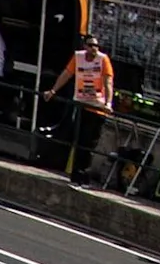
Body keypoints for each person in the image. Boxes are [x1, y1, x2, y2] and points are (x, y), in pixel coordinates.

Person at [48, 36, 115, 182]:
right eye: (91, 45)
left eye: (96, 46)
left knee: (89, 142)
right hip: (81, 104)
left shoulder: (103, 60)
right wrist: (53, 90)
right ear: (85, 46)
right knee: (79, 140)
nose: (94, 49)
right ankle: (76, 174)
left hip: (97, 107)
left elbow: (108, 82)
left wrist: (108, 103)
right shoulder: (78, 58)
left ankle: (83, 175)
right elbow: (66, 74)